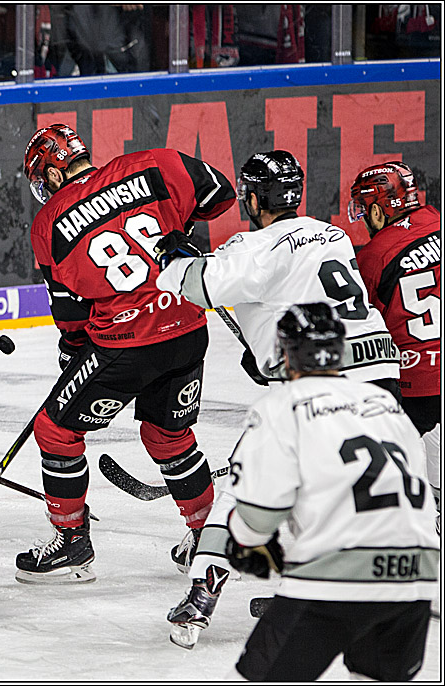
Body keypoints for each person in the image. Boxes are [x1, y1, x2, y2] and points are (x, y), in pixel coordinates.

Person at [155, 150, 402, 648]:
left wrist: (174, 257)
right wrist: (267, 353)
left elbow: (202, 286)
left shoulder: (255, 246)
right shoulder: (330, 233)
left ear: (251, 198)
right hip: (379, 371)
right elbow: (305, 294)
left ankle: (202, 595)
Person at [17, 123, 236, 584]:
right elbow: (222, 194)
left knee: (55, 431)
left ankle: (72, 541)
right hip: (189, 326)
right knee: (167, 436)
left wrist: (74, 353)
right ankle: (206, 536)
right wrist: (178, 224)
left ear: (53, 175)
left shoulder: (50, 222)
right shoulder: (158, 163)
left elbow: (72, 315)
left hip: (126, 345)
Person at [225, 303, 438, 681]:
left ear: (286, 353)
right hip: (415, 574)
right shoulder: (387, 404)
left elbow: (258, 514)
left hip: (336, 574)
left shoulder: (281, 405)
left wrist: (246, 540)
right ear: (341, 351)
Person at [349, 161, 441, 530]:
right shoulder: (437, 220)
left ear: (376, 208)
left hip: (416, 385)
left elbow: (357, 328)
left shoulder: (373, 257)